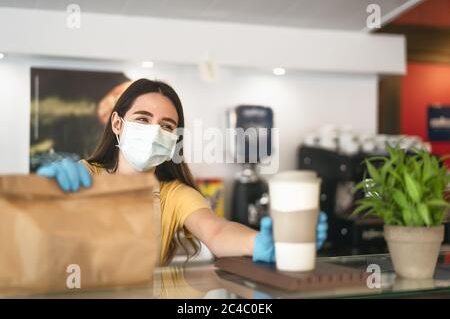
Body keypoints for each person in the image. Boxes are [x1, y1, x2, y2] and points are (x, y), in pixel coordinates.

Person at [37, 79, 328, 266]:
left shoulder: (173, 195)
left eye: (166, 126)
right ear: (117, 123)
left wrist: (264, 242)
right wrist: (43, 193)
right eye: (143, 119)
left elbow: (216, 231)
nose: (154, 132)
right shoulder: (84, 176)